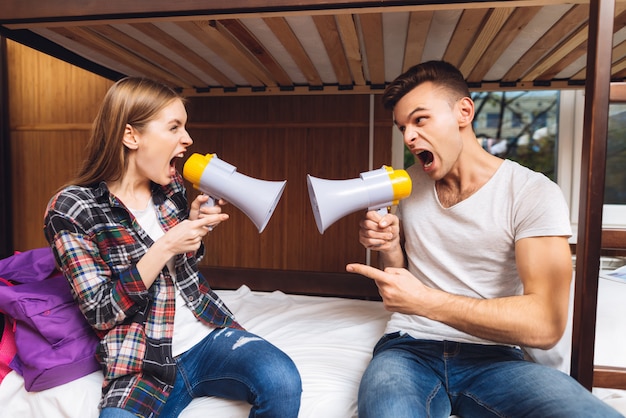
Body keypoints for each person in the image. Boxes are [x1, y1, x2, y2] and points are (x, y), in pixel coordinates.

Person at [346, 61, 623, 418]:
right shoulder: (408, 185)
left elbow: (546, 324)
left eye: (420, 120)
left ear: (464, 112)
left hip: (497, 357)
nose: (408, 137)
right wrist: (389, 248)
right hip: (408, 349)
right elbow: (403, 285)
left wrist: (426, 301)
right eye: (402, 127)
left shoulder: (532, 192)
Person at [43, 77, 302, 418]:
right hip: (140, 360)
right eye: (174, 127)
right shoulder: (71, 208)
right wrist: (166, 245)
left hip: (207, 337)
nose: (187, 139)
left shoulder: (171, 187)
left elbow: (184, 268)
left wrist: (193, 232)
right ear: (131, 135)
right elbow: (101, 312)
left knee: (283, 380)